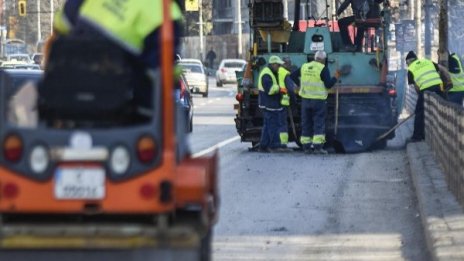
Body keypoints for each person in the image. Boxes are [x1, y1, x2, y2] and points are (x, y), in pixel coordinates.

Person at [52, 0, 182, 70]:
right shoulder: (166, 11)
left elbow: (62, 23)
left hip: (70, 89)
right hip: (126, 102)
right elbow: (160, 67)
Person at [291, 51, 340, 154]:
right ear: (323, 60)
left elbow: (292, 76)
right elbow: (328, 85)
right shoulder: (323, 69)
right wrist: (335, 77)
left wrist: (300, 85)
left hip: (305, 100)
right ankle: (318, 147)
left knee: (306, 123)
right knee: (318, 123)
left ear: (314, 58)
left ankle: (306, 147)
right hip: (318, 100)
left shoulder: (305, 66)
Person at [406, 50, 451, 142]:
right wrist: (448, 81)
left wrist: (421, 97)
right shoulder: (427, 61)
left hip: (426, 89)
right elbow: (442, 69)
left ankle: (418, 136)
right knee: (445, 109)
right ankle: (448, 134)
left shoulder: (410, 69)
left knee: (419, 112)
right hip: (439, 87)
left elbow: (416, 87)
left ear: (408, 62)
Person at [258, 55, 288, 152]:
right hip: (269, 104)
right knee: (273, 125)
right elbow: (270, 90)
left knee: (267, 126)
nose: (279, 67)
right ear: (273, 64)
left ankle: (263, 146)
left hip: (270, 104)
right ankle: (275, 145)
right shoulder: (266, 74)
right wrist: (280, 89)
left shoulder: (270, 72)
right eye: (278, 65)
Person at [277, 57, 297, 148]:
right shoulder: (285, 73)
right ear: (284, 64)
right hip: (283, 102)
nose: (290, 66)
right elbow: (290, 90)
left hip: (274, 101)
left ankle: (274, 141)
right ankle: (283, 143)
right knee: (282, 123)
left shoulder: (276, 71)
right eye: (289, 64)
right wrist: (293, 103)